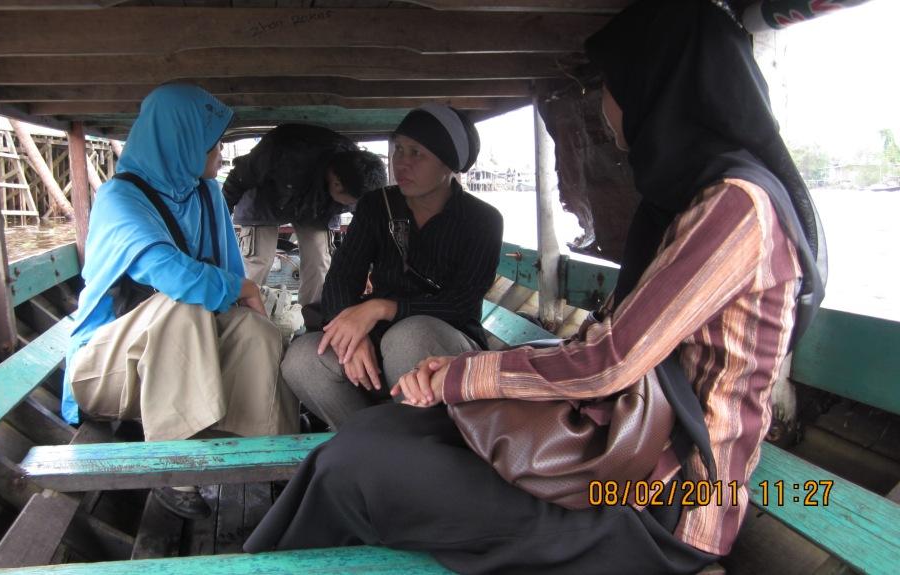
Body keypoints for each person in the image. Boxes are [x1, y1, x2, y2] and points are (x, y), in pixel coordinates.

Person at [244, 1, 827, 573]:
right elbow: (612, 349)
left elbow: (611, 359)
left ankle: (278, 562)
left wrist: (457, 375)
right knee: (373, 435)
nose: (602, 106)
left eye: (609, 85)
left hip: (659, 497)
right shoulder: (685, 204)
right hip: (613, 441)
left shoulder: (734, 209)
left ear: (655, 86)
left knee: (363, 466)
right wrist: (437, 364)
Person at [62, 84, 298, 520]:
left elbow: (230, 277)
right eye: (214, 145)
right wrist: (245, 289)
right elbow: (173, 276)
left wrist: (249, 301)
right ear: (182, 142)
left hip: (178, 365)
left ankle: (270, 455)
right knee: (185, 302)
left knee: (255, 330)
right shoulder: (119, 198)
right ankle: (173, 465)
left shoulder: (206, 194)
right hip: (107, 371)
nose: (221, 156)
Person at [279, 104, 504, 430]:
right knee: (302, 358)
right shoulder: (376, 206)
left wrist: (381, 308)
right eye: (398, 149)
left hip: (446, 342)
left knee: (408, 335)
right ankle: (371, 440)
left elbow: (461, 304)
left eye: (417, 153)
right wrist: (352, 336)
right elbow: (341, 278)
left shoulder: (482, 220)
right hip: (380, 339)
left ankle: (424, 444)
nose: (401, 162)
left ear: (448, 164)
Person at [223, 124, 388, 305]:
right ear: (336, 183)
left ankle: (312, 316)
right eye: (349, 202)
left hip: (318, 209)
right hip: (264, 198)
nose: (351, 207)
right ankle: (246, 315)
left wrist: (367, 271)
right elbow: (238, 177)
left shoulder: (358, 177)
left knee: (319, 260)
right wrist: (220, 217)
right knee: (259, 260)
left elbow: (368, 233)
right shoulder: (281, 154)